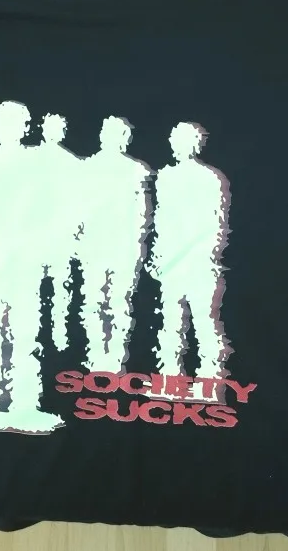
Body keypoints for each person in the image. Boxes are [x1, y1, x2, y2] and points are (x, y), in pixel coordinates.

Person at [0, 101, 64, 434]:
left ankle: (23, 403)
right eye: (5, 122)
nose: (13, 128)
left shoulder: (37, 166)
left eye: (19, 122)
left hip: (26, 265)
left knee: (25, 334)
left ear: (26, 128)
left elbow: (49, 212)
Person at [150, 122, 232, 382]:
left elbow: (218, 223)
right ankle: (171, 375)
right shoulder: (166, 177)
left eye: (181, 141)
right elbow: (162, 220)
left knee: (201, 320)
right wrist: (158, 256)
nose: (176, 145)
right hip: (175, 262)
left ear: (195, 144)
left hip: (199, 264)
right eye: (175, 140)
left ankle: (208, 377)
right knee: (173, 321)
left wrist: (208, 256)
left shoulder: (210, 179)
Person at [77, 116, 152, 373]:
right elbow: (78, 210)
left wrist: (138, 244)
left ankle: (112, 358)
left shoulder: (135, 170)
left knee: (116, 302)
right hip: (98, 247)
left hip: (121, 247)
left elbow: (142, 213)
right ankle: (99, 357)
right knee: (98, 302)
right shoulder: (89, 168)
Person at [34, 113, 85, 352]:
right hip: (32, 235)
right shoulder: (30, 160)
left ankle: (59, 333)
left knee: (61, 287)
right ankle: (37, 333)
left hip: (60, 237)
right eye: (49, 127)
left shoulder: (72, 163)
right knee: (32, 288)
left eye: (57, 128)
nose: (53, 132)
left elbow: (80, 203)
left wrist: (76, 234)